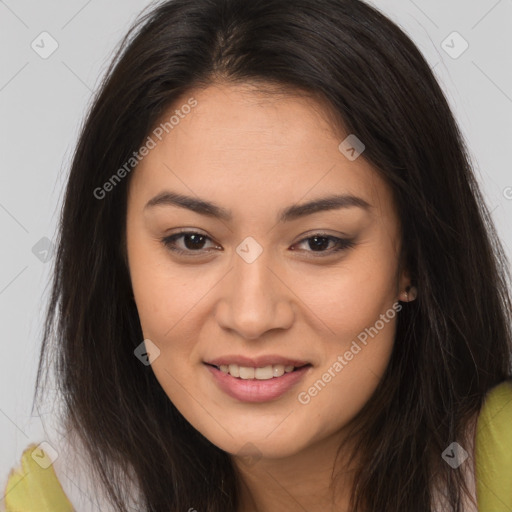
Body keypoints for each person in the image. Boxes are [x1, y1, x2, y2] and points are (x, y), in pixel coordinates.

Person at [2, 0, 512, 511]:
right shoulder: (59, 498)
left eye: (319, 242)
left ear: (413, 260)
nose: (251, 316)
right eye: (192, 241)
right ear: (120, 256)